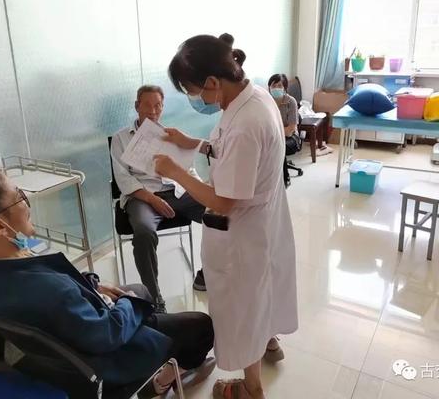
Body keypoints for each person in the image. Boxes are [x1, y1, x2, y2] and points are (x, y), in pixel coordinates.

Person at [0, 166, 215, 396]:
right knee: (200, 324)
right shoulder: (49, 290)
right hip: (100, 362)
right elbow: (107, 333)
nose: (26, 201)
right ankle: (162, 378)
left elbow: (52, 277)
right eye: (18, 196)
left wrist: (92, 285)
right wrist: (127, 304)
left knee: (140, 290)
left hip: (50, 350)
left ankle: (153, 326)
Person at [153, 35, 298, 399]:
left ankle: (251, 389)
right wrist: (194, 142)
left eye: (193, 91)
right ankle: (268, 341)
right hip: (262, 221)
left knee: (244, 309)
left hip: (243, 233)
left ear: (213, 82)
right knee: (259, 295)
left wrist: (175, 172)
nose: (195, 99)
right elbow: (228, 148)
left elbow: (223, 200)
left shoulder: (246, 122)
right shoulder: (253, 96)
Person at [110, 85, 207, 311]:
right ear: (137, 106)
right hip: (142, 196)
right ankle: (154, 299)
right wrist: (153, 200)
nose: (153, 111)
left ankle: (207, 273)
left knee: (217, 215)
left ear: (163, 107)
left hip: (176, 191)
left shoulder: (172, 136)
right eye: (147, 105)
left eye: (158, 106)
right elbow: (123, 179)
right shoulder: (121, 138)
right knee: (144, 233)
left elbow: (189, 169)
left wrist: (200, 189)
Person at [268, 74, 300, 153]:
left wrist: (272, 133)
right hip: (273, 137)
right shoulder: (267, 102)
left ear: (284, 88)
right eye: (273, 86)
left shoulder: (291, 102)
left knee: (276, 148)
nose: (276, 88)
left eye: (279, 86)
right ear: (269, 88)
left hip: (290, 137)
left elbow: (290, 130)